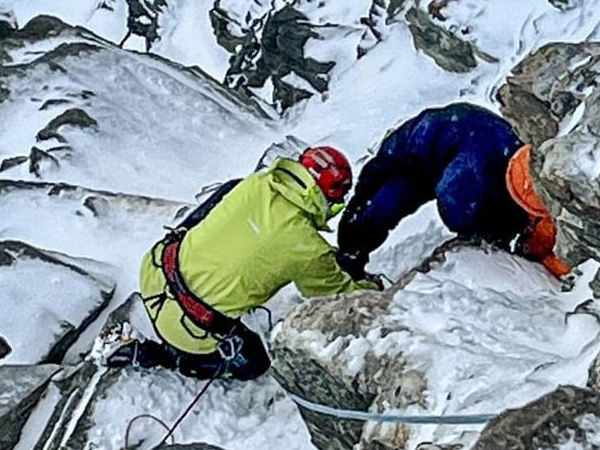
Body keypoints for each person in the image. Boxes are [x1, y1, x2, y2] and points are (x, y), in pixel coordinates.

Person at [107, 146, 379, 381]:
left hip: (155, 269)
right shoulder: (308, 248)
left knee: (227, 194)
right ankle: (169, 358)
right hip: (188, 330)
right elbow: (340, 297)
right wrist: (373, 288)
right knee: (255, 363)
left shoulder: (255, 183)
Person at [337, 103, 572, 279]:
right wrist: (489, 232)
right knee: (377, 211)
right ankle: (349, 259)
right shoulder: (476, 172)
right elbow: (455, 202)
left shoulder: (495, 170)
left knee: (374, 210)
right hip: (417, 160)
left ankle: (351, 252)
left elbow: (460, 200)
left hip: (449, 143)